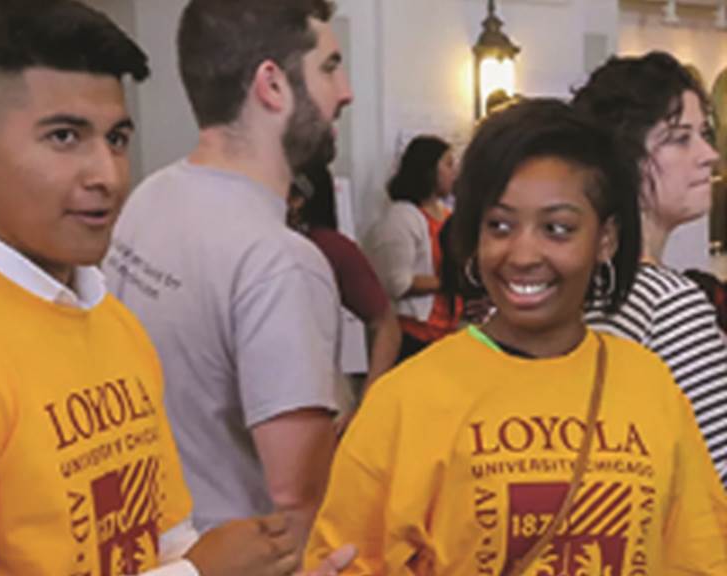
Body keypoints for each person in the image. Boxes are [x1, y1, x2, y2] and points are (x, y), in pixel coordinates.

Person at [0, 1, 353, 575]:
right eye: (65, 137)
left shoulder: (108, 318)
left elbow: (161, 539)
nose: (108, 175)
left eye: (116, 138)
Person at [305, 99, 727, 574]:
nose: (523, 254)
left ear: (605, 238)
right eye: (500, 226)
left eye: (558, 229)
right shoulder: (404, 401)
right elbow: (349, 557)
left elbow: (700, 556)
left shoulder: (651, 388)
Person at [105, 0, 353, 546]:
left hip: (152, 542)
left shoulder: (152, 193)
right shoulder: (281, 261)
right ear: (272, 85)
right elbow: (296, 509)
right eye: (331, 67)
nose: (346, 92)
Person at [573, 51, 727, 486]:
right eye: (680, 138)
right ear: (627, 158)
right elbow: (717, 476)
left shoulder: (579, 284)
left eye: (704, 134)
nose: (709, 155)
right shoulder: (667, 302)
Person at [288, 162, 401, 395]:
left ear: (297, 200)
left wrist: (368, 399)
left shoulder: (328, 247)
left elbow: (386, 324)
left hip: (317, 394)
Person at [365, 135, 461, 362]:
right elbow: (397, 283)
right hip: (414, 333)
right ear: (429, 170)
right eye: (448, 164)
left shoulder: (447, 215)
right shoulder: (402, 217)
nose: (454, 172)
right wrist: (451, 283)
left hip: (446, 330)